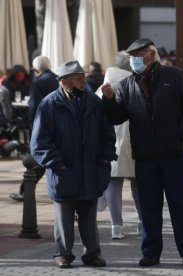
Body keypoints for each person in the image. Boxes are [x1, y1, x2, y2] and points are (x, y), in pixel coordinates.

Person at [101, 38, 183, 267]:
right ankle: (150, 253)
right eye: (130, 56)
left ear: (150, 54)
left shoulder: (174, 76)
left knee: (180, 206)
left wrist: (179, 132)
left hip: (174, 154)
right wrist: (108, 101)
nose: (132, 60)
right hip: (145, 157)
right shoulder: (127, 84)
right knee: (149, 208)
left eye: (137, 55)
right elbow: (118, 117)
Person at [30, 60, 117, 269]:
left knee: (89, 216)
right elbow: (39, 141)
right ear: (64, 82)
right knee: (63, 217)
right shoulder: (49, 104)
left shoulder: (95, 103)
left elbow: (108, 132)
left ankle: (93, 254)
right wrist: (56, 163)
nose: (83, 81)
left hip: (90, 169)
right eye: (78, 78)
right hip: (63, 171)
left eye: (83, 77)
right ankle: (63, 254)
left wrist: (106, 157)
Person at [96, 52, 142, 240]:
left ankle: (116, 226)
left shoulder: (102, 88)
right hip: (134, 141)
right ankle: (143, 221)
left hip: (111, 143)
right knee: (138, 184)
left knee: (113, 184)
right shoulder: (134, 84)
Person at [9, 55, 59, 202]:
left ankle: (25, 192)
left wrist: (33, 129)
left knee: (36, 160)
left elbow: (34, 109)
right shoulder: (58, 79)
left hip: (43, 128)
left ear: (36, 69)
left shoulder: (38, 83)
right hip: (59, 127)